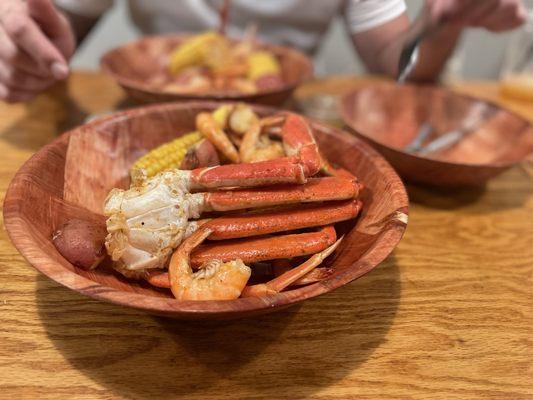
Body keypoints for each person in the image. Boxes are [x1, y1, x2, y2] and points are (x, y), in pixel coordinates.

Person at [0, 0, 526, 103]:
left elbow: (404, 71)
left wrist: (443, 25)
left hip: (283, 113)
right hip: (144, 104)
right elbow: (57, 27)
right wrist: (30, 36)